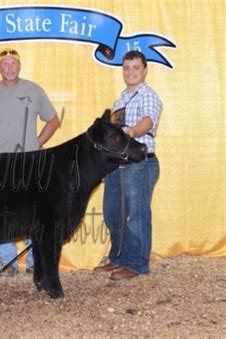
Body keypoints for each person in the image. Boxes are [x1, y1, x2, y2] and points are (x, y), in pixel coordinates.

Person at [0, 48, 60, 276]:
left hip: (29, 163)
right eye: (5, 63)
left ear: (19, 66)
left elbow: (53, 120)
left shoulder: (33, 90)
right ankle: (9, 261)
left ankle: (33, 260)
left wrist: (36, 144)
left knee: (32, 213)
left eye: (13, 63)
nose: (9, 67)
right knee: (1, 213)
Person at [94, 50, 162, 280]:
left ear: (144, 70)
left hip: (139, 163)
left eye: (135, 67)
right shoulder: (121, 99)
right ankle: (118, 258)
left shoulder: (148, 96)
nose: (130, 72)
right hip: (117, 164)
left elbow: (147, 121)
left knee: (136, 215)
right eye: (126, 68)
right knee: (113, 214)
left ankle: (136, 264)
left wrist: (132, 131)